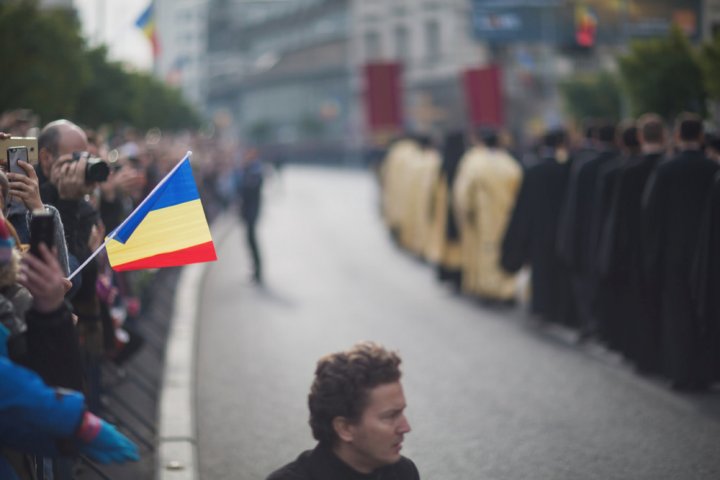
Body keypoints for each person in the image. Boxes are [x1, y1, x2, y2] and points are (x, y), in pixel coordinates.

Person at [642, 113, 719, 391]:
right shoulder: (713, 170)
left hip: (673, 253)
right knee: (705, 310)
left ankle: (681, 372)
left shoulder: (665, 170)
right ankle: (706, 371)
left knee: (677, 313)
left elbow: (651, 217)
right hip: (709, 253)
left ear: (677, 136)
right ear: (700, 136)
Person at [266, 341, 419, 480]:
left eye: (401, 412)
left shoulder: (404, 473)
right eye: (391, 416)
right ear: (345, 428)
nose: (406, 427)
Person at [236, 146, 264, 284]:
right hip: (248, 209)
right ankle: (256, 269)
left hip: (252, 209)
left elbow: (249, 188)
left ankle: (258, 270)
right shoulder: (248, 169)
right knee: (249, 240)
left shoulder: (255, 169)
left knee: (252, 240)